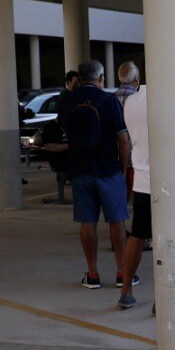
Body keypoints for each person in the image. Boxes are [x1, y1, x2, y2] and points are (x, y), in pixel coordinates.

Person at [65, 60, 131, 290]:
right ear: (101, 78)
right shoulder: (108, 100)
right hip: (107, 170)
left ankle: (92, 274)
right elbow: (123, 141)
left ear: (80, 78)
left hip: (79, 171)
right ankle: (122, 273)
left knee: (87, 222)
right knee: (116, 221)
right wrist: (122, 171)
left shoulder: (68, 100)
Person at [118, 74, 151, 310]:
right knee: (167, 240)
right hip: (168, 180)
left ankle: (126, 290)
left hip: (142, 177)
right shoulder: (170, 100)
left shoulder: (132, 101)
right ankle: (164, 298)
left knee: (137, 234)